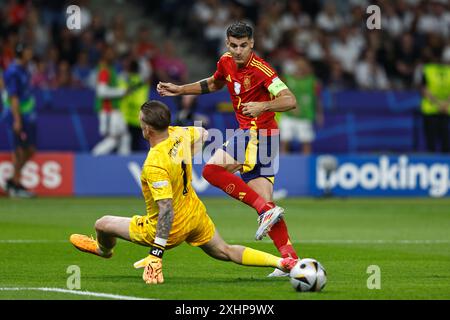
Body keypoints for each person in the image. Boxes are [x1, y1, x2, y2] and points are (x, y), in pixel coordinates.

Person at [70, 100, 297, 285]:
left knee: (102, 224)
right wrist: (189, 155)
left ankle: (103, 250)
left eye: (141, 122)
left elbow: (166, 210)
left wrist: (156, 255)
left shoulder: (154, 163)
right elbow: (203, 133)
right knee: (225, 250)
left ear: (147, 129)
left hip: (169, 228)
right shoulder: (179, 133)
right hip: (195, 214)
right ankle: (283, 263)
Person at [157, 22, 299, 277]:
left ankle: (265, 212)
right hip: (262, 137)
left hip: (258, 133)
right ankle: (291, 261)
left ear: (252, 44)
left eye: (243, 45)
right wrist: (181, 89)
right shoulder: (225, 61)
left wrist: (262, 107)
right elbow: (213, 84)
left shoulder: (262, 70)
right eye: (233, 45)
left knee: (211, 170)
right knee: (266, 202)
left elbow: (290, 100)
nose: (238, 51)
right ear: (227, 44)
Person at [1, 43, 36, 198]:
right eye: (28, 51)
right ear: (22, 53)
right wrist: (16, 119)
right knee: (19, 150)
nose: (31, 53)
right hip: (16, 115)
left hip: (27, 115)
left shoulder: (25, 69)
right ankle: (15, 185)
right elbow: (13, 97)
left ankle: (13, 181)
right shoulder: (13, 72)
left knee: (30, 150)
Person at [91, 46, 131, 156]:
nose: (112, 55)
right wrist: (121, 92)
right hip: (107, 110)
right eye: (109, 53)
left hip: (114, 109)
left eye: (113, 53)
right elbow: (101, 92)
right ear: (104, 56)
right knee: (113, 139)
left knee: (124, 136)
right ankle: (94, 157)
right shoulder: (104, 70)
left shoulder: (111, 70)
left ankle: (124, 162)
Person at [280, 57, 323, 155]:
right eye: (298, 66)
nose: (300, 68)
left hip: (305, 116)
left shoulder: (313, 81)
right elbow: (278, 93)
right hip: (288, 115)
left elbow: (317, 98)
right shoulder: (287, 78)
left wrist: (319, 114)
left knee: (306, 142)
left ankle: (306, 165)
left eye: (303, 66)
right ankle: (283, 164)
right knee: (285, 140)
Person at [420, 60, 450, 153]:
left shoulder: (428, 69)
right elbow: (423, 89)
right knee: (432, 141)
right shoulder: (428, 69)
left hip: (443, 110)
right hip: (434, 110)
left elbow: (423, 89)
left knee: (445, 141)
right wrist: (443, 104)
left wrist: (440, 103)